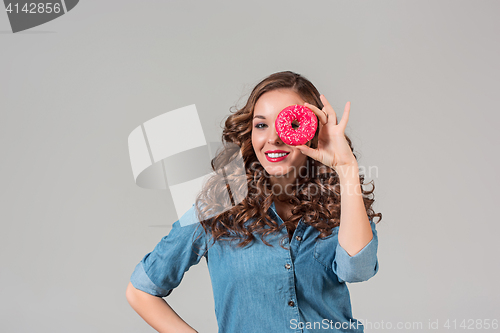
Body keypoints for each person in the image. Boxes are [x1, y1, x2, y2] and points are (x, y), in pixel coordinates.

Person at [125, 71, 382, 333]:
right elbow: (141, 290)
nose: (273, 138)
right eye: (261, 125)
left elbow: (357, 270)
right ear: (250, 133)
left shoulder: (339, 203)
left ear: (313, 131)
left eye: (290, 124)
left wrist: (346, 167)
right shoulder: (216, 208)